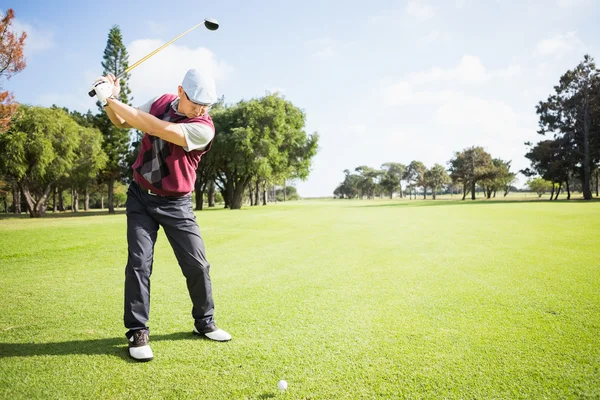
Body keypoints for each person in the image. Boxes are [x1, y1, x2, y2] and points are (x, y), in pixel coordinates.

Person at [92, 69, 231, 362]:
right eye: (196, 102)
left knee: (197, 265)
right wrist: (109, 100)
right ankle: (137, 331)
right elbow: (121, 121)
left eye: (207, 104)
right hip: (141, 196)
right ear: (180, 91)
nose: (201, 109)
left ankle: (204, 322)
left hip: (177, 204)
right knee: (139, 263)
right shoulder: (159, 102)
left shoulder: (203, 128)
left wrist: (111, 97)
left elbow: (155, 128)